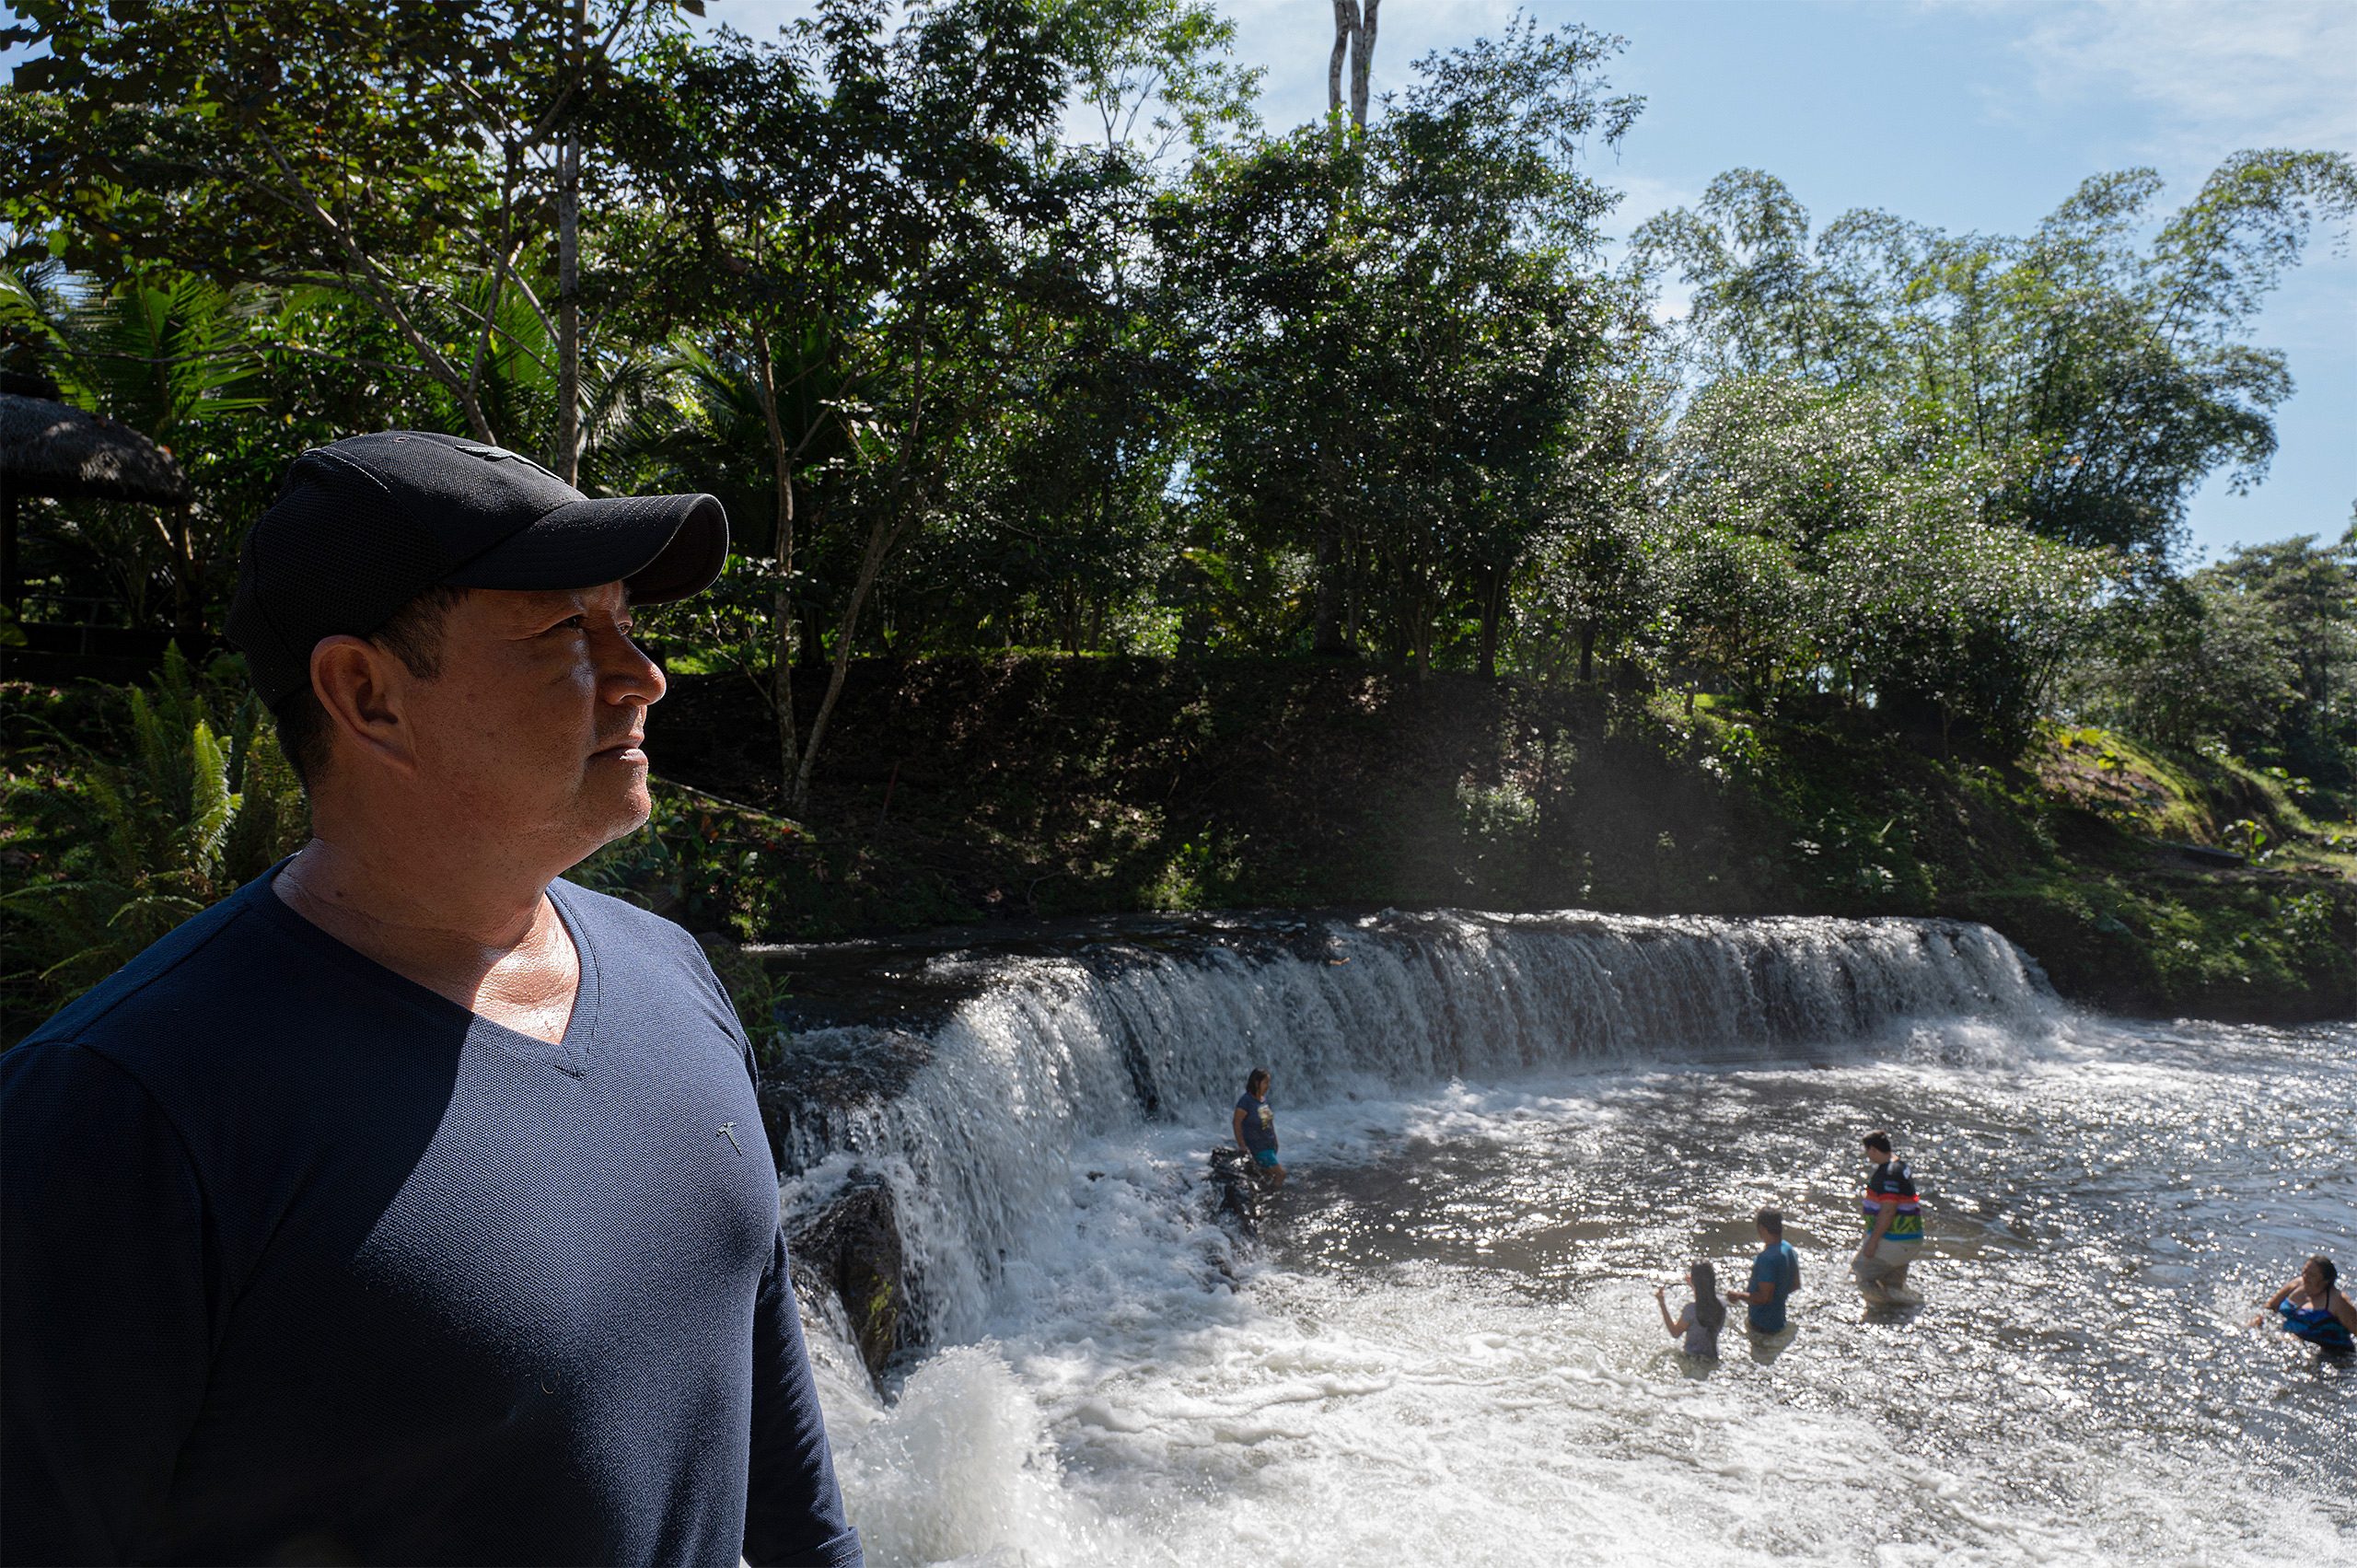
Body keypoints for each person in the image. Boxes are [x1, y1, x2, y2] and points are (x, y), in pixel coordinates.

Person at [2, 433, 862, 1567]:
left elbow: (785, 1484)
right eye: (565, 630)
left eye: (627, 622)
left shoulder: (671, 975)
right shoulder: (126, 1106)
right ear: (366, 694)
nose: (642, 673)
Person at [1852, 1130, 1925, 1307]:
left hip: (1895, 1241)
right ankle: (1901, 1312)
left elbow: (1888, 1211)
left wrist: (1872, 1243)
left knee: (1861, 1273)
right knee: (1893, 1287)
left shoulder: (1888, 1174)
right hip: (1909, 1240)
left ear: (1873, 1150)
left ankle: (1881, 1309)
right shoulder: (1899, 1165)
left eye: (1866, 1150)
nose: (1866, 1154)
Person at [2252, 1255, 2357, 1352]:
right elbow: (2270, 1306)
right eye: (2304, 1272)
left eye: (2311, 1275)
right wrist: (2259, 1318)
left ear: (2325, 1280)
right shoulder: (2296, 1284)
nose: (2305, 1277)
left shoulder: (2338, 1301)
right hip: (2288, 1344)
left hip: (2328, 1354)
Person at [1726, 1208, 1803, 1334]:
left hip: (1762, 1327)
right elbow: (1796, 1285)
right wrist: (1778, 1297)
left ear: (1761, 1228)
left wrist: (1738, 1295)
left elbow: (1764, 1298)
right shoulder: (1788, 1249)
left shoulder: (1766, 1259)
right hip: (1780, 1321)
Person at [1655, 1261, 1725, 1359]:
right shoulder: (1722, 1304)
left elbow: (1675, 1333)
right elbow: (1704, 1295)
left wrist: (1662, 1304)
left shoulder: (1691, 1310)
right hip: (1713, 1357)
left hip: (1691, 1358)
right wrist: (1694, 1285)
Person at [1232, 1067, 1284, 1189]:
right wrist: (1242, 1145)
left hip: (1269, 1147)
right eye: (1266, 1082)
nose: (1269, 1085)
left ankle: (1263, 1197)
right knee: (1281, 1174)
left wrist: (1275, 1141)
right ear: (1256, 1083)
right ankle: (1275, 1198)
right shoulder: (1246, 1102)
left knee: (1267, 1176)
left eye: (1269, 1082)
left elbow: (1269, 1123)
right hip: (1258, 1148)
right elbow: (1236, 1122)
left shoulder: (1264, 1100)